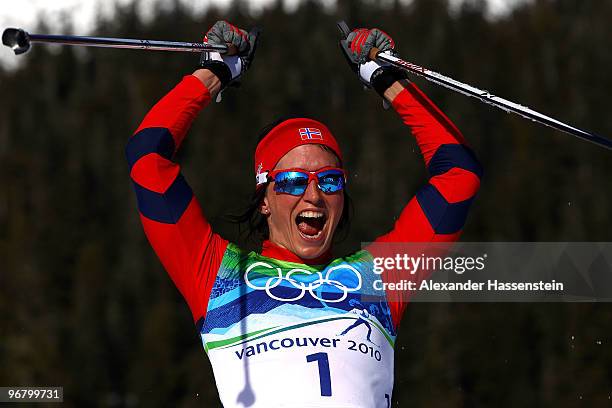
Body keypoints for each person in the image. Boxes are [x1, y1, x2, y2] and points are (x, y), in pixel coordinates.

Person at [126, 20, 482, 408]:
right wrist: (215, 71)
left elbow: (459, 177)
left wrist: (387, 79)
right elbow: (147, 161)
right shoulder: (217, 275)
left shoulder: (377, 277)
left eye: (329, 181)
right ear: (265, 198)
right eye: (294, 181)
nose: (313, 195)